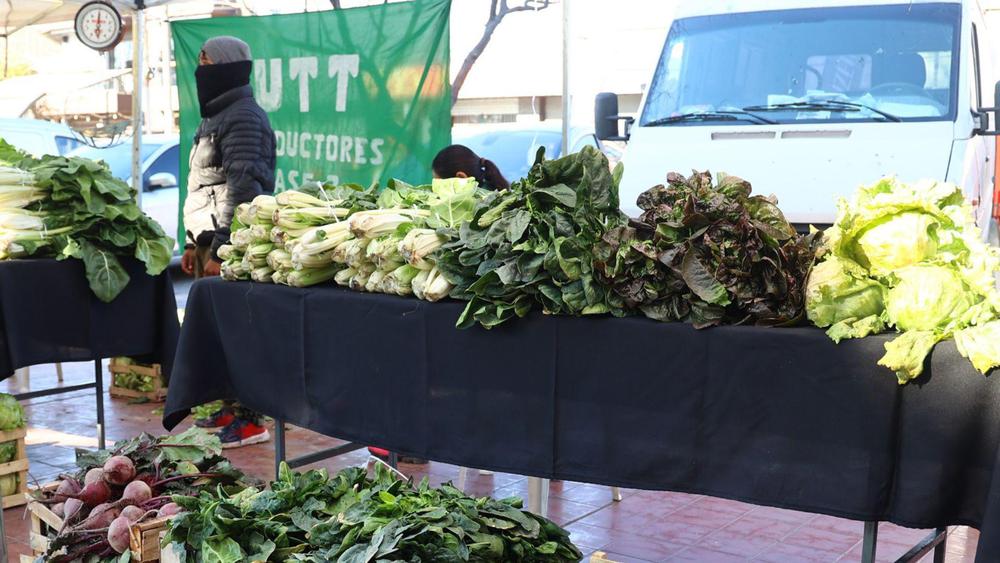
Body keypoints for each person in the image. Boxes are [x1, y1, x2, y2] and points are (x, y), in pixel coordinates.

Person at [181, 36, 276, 449]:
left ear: (228, 67)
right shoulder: (214, 117)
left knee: (240, 334)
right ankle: (229, 407)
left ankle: (252, 420)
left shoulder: (244, 118)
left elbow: (244, 187)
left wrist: (222, 248)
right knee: (218, 334)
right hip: (207, 239)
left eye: (207, 63)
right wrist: (191, 242)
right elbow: (203, 185)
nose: (200, 70)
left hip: (230, 243)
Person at [431, 144, 510, 190]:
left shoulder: (478, 209)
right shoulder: (495, 193)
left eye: (439, 184)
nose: (435, 190)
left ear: (461, 177)